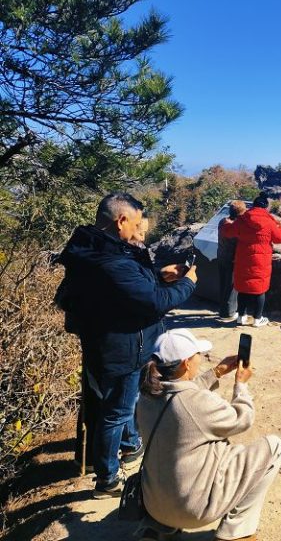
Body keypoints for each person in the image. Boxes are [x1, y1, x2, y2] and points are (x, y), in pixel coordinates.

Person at [58, 192, 197, 497]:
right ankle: (107, 479)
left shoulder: (96, 248)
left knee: (126, 402)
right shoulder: (110, 261)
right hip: (122, 348)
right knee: (117, 411)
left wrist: (160, 275)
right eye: (135, 224)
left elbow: (124, 291)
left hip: (113, 342)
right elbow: (155, 303)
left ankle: (131, 445)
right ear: (120, 220)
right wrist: (189, 282)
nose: (138, 231)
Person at [137, 328, 281, 541]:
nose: (201, 358)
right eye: (199, 355)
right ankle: (236, 532)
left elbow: (178, 392)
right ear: (186, 363)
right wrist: (241, 386)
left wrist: (216, 372)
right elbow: (243, 418)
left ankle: (161, 530)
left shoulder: (147, 395)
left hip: (153, 507)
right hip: (192, 511)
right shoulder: (197, 404)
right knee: (274, 447)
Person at [220, 194, 281, 327]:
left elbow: (227, 232)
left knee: (242, 288)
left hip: (243, 258)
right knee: (260, 290)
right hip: (261, 261)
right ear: (265, 207)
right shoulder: (269, 221)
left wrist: (226, 224)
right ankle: (257, 319)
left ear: (253, 205)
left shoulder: (243, 219)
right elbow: (280, 238)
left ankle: (241, 317)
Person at [218, 200, 247, 320]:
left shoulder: (222, 221)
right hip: (232, 259)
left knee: (223, 283)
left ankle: (223, 308)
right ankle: (228, 312)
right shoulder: (235, 226)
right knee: (231, 285)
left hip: (221, 256)